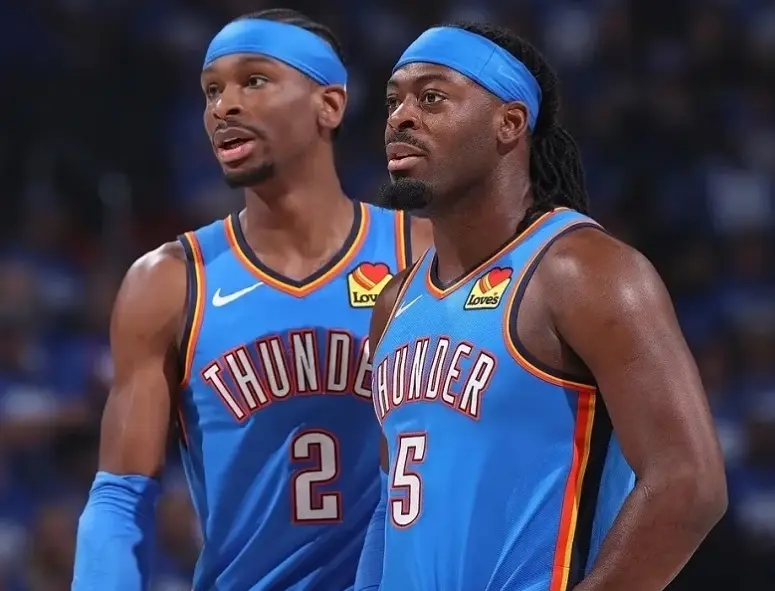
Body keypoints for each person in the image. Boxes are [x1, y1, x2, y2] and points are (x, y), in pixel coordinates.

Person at [355, 22, 727, 591]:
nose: (400, 118)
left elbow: (688, 482)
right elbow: (391, 506)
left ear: (509, 124)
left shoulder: (582, 270)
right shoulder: (394, 301)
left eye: (431, 98)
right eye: (392, 102)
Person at [72, 9, 430, 591]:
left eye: (254, 81)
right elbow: (120, 496)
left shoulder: (425, 254)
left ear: (329, 105)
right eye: (212, 91)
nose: (224, 107)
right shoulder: (169, 280)